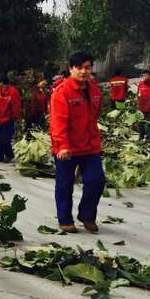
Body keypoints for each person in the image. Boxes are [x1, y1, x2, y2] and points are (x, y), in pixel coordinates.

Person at [49, 52, 106, 234]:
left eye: (87, 68)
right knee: (65, 184)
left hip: (90, 146)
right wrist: (63, 145)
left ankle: (87, 216)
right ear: (71, 69)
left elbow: (94, 114)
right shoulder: (62, 92)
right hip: (67, 148)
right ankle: (65, 219)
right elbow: (58, 122)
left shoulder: (95, 90)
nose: (83, 71)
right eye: (79, 67)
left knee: (97, 181)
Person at [0, 75, 21, 162]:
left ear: (2, 82)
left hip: (8, 120)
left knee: (4, 140)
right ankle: (0, 156)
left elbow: (16, 106)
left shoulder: (13, 92)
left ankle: (9, 155)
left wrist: (14, 118)